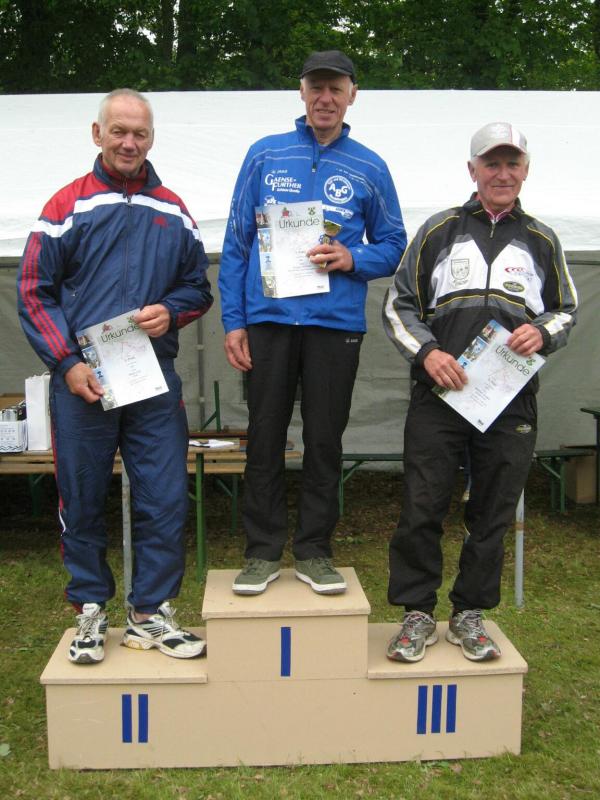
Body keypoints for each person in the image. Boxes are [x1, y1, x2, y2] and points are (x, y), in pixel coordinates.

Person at [17, 89, 213, 664]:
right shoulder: (65, 208)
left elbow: (197, 287)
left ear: (152, 138)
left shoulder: (173, 210)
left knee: (165, 497)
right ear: (97, 133)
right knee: (80, 496)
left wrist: (171, 311)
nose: (129, 143)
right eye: (119, 131)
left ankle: (150, 614)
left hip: (152, 379)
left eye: (140, 133)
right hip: (83, 381)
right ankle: (90, 608)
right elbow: (33, 290)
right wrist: (67, 362)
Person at [382, 121, 577, 662]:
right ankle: (416, 613)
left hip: (510, 399)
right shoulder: (438, 230)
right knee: (422, 505)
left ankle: (470, 613)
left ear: (525, 171)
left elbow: (566, 310)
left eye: (512, 163)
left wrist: (543, 332)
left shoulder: (542, 239)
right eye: (492, 163)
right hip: (440, 395)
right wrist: (427, 352)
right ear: (473, 170)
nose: (502, 173)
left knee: (492, 511)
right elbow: (398, 305)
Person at [219, 50, 406, 596]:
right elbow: (236, 243)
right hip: (269, 321)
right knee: (264, 437)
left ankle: (315, 551)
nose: (325, 98)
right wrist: (234, 321)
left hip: (334, 324)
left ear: (352, 95)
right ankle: (261, 553)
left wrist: (353, 258)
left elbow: (394, 243)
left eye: (336, 88)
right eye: (316, 87)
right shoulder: (264, 153)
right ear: (301, 92)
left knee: (325, 439)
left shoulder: (370, 166)